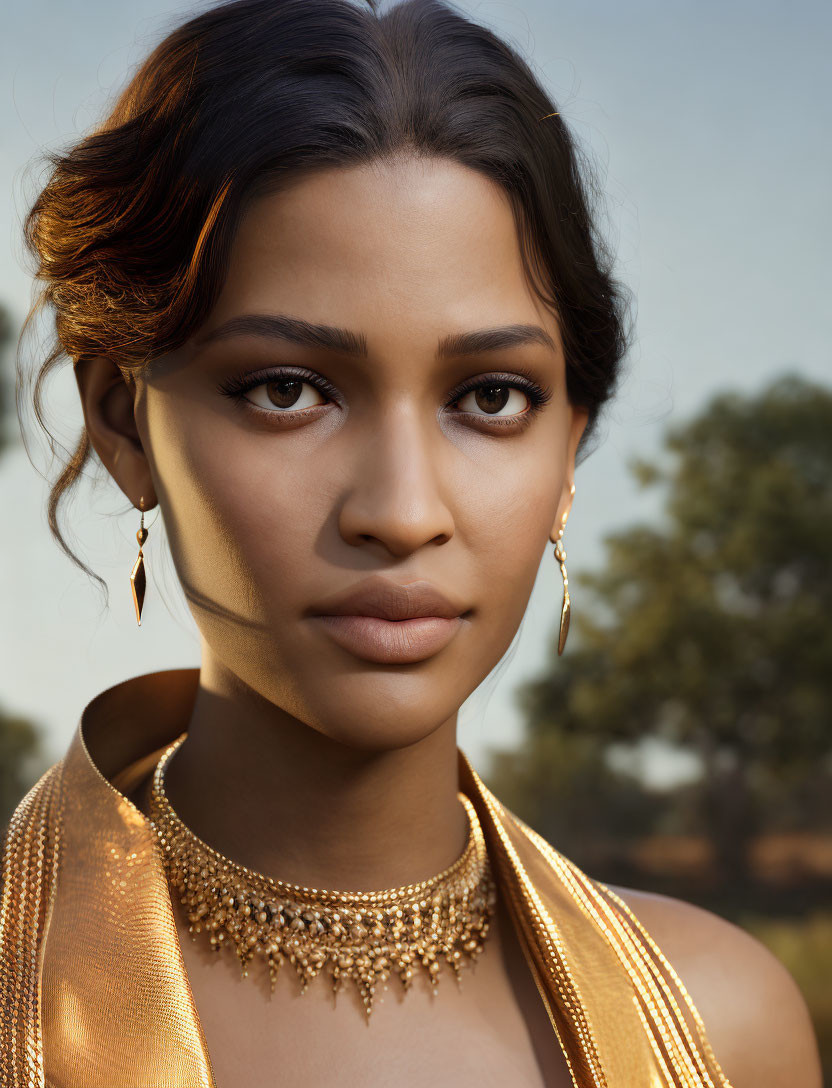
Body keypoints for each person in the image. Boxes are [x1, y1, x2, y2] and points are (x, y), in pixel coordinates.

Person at [0, 0, 822, 1085]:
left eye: (490, 396)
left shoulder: (718, 1026)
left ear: (569, 451)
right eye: (287, 389)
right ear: (123, 420)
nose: (400, 508)